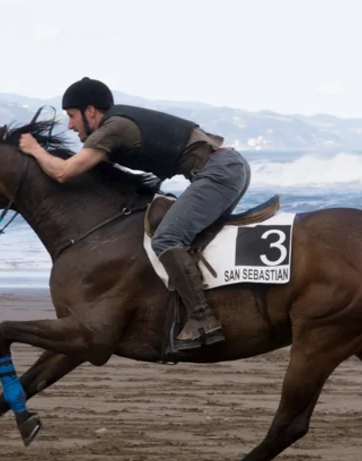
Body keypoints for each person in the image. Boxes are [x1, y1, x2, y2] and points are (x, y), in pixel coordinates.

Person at [18, 77, 251, 351]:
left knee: (167, 238)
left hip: (220, 172)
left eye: (71, 116)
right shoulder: (116, 128)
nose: (70, 125)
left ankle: (203, 319)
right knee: (189, 237)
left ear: (90, 111)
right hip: (227, 168)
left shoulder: (112, 128)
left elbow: (64, 172)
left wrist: (34, 149)